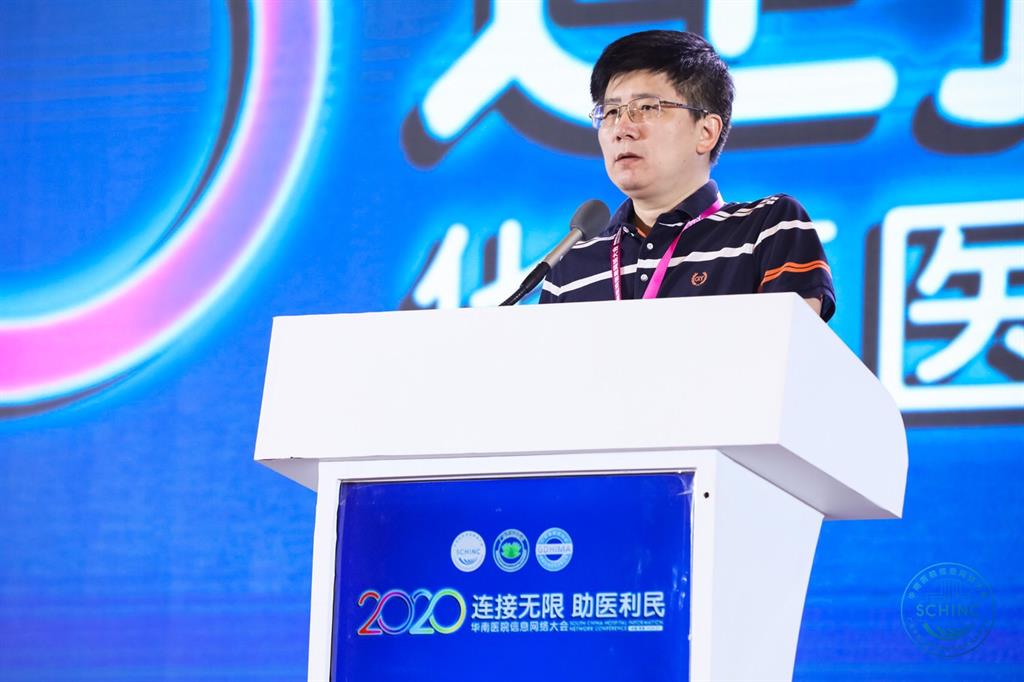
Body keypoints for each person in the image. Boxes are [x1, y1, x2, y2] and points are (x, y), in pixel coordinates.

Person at [539, 30, 835, 321]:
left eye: (646, 108)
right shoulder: (569, 265)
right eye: (611, 112)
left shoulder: (768, 228)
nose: (622, 129)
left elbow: (790, 345)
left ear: (706, 132)